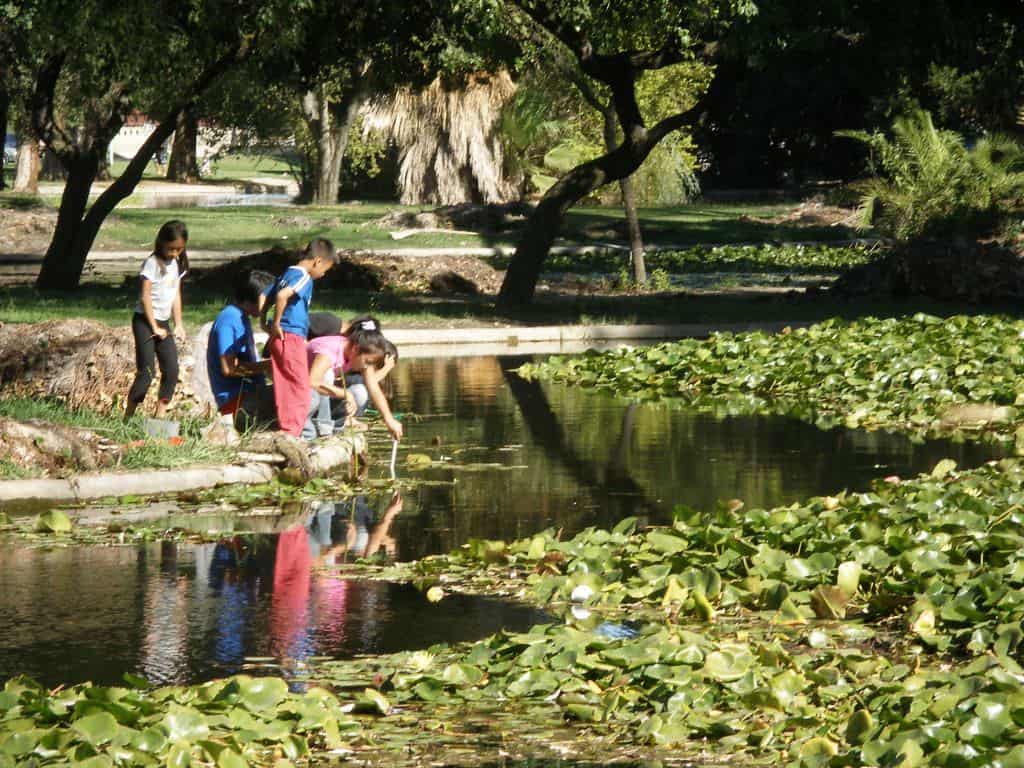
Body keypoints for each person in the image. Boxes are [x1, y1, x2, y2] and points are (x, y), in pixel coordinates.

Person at [263, 238, 339, 436]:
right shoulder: (303, 276)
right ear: (317, 261)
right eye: (325, 270)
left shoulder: (285, 274)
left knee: (285, 386)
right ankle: (293, 432)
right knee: (301, 390)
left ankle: (287, 429)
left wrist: (264, 320)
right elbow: (281, 297)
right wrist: (277, 322)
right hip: (291, 336)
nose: (322, 275)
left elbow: (267, 295)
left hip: (280, 339)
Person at [124, 220, 189, 420]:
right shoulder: (152, 263)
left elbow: (175, 295)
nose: (174, 254)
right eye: (171, 249)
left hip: (163, 322)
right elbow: (145, 297)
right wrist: (154, 326)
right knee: (147, 373)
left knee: (171, 370)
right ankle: (128, 416)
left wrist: (178, 324)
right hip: (145, 320)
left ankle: (159, 419)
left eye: (179, 249)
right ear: (161, 242)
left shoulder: (176, 263)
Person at [302, 315, 403, 441]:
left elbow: (374, 389)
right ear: (356, 349)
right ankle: (324, 431)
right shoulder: (328, 351)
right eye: (367, 361)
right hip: (301, 395)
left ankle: (337, 427)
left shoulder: (359, 354)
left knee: (360, 392)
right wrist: (345, 394)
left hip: (318, 398)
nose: (367, 367)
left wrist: (389, 420)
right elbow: (313, 382)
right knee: (327, 376)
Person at [207, 269, 275, 429]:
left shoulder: (241, 318)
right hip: (237, 402)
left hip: (248, 396)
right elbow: (228, 368)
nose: (271, 304)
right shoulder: (230, 319)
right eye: (269, 299)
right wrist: (270, 365)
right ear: (257, 297)